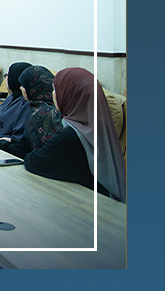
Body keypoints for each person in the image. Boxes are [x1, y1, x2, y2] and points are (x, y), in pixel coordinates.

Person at [23, 68, 127, 201]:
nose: (53, 94)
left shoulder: (68, 137)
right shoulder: (103, 128)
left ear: (69, 96)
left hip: (87, 205)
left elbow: (33, 162)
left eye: (56, 90)